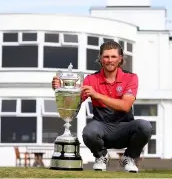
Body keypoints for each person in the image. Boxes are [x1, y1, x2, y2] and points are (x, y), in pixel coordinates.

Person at [52, 41, 153, 173]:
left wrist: (97, 95)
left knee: (145, 126)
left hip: (124, 128)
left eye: (113, 57)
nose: (109, 60)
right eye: (106, 57)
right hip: (101, 127)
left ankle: (129, 157)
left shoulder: (131, 78)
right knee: (88, 132)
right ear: (100, 58)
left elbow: (125, 106)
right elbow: (74, 103)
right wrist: (61, 89)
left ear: (120, 59)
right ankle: (101, 156)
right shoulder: (90, 79)